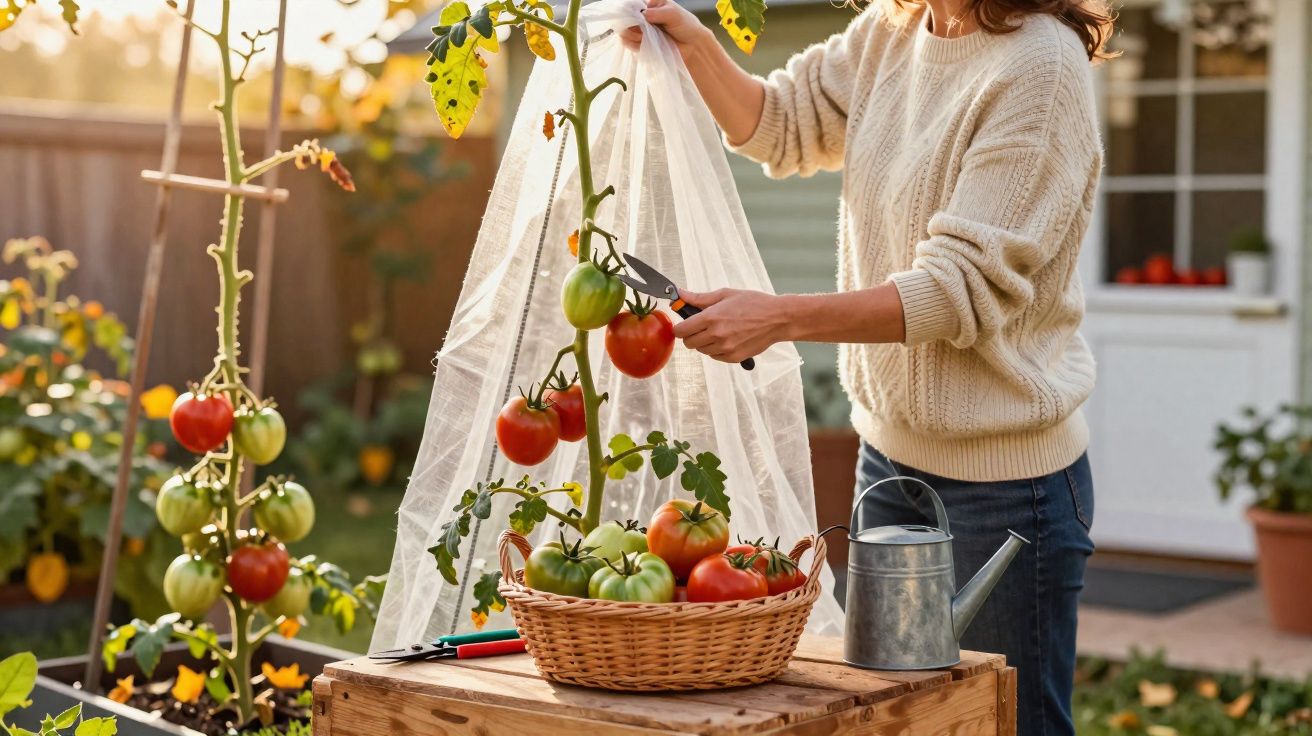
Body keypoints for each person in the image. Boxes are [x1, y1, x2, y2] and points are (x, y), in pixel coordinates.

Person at [626, 0, 1111, 733]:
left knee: (1005, 724)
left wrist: (778, 316)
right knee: (892, 719)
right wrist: (694, 46)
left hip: (1006, 492)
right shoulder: (891, 32)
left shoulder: (1041, 67)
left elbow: (958, 289)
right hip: (887, 468)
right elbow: (779, 122)